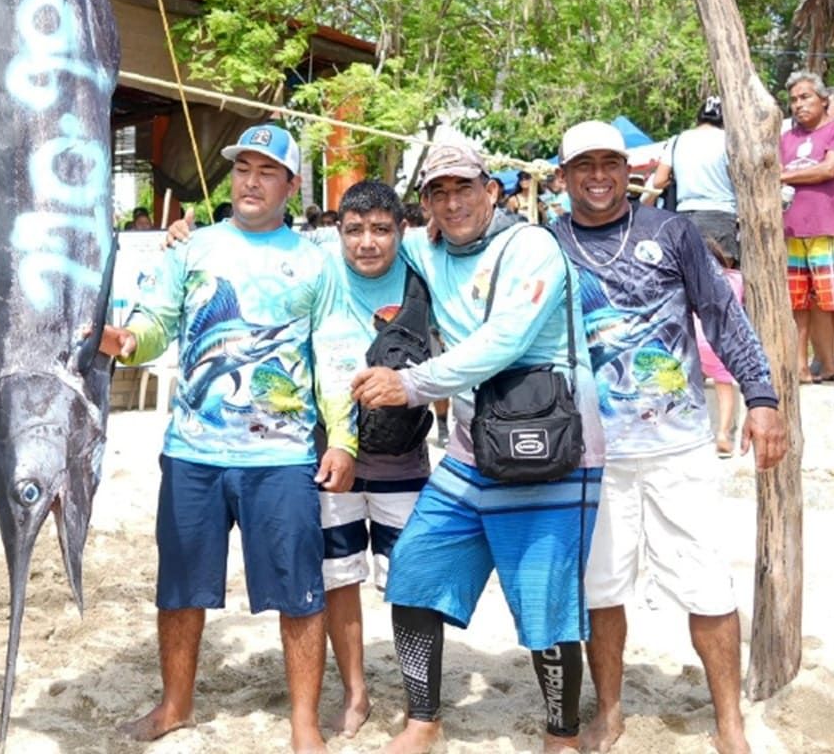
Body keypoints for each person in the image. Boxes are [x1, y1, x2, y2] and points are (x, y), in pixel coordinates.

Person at [97, 122, 353, 754]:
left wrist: (342, 437)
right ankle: (176, 705)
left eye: (268, 171)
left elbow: (334, 354)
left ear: (292, 185)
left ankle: (304, 724)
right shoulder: (190, 248)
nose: (252, 180)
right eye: (243, 168)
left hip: (283, 457)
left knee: (299, 590)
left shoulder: (316, 261)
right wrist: (127, 343)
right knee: (180, 588)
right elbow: (155, 324)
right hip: (194, 454)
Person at [347, 139, 604, 754]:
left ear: (492, 190)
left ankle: (561, 734)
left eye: (464, 187)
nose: (452, 201)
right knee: (413, 572)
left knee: (546, 598)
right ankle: (423, 719)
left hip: (552, 445)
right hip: (470, 447)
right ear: (427, 205)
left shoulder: (532, 247)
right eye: (438, 191)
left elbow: (503, 342)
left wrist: (407, 385)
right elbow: (360, 250)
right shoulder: (424, 249)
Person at [549, 121, 786, 754]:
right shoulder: (546, 244)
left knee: (706, 583)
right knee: (601, 590)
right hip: (592, 455)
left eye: (610, 164)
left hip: (680, 446)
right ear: (562, 176)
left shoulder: (672, 231)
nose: (598, 176)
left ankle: (729, 720)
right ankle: (612, 710)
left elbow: (723, 315)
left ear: (628, 169)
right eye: (583, 166)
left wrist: (761, 397)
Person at [311, 180, 428, 739]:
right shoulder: (318, 271)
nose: (367, 243)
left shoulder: (421, 270)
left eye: (381, 229)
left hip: (403, 456)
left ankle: (419, 699)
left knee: (408, 581)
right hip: (331, 459)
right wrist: (181, 236)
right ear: (337, 231)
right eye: (354, 230)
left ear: (401, 232)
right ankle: (356, 693)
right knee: (339, 577)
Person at [779, 72, 834, 391]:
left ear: (824, 99)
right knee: (795, 304)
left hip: (828, 228)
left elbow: (829, 169)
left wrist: (783, 176)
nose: (798, 105)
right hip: (789, 231)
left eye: (805, 97)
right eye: (794, 100)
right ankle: (799, 366)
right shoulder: (786, 138)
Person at [645, 96, 740, 262]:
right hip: (720, 215)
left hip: (685, 215)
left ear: (698, 118)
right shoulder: (730, 141)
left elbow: (659, 180)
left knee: (688, 275)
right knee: (721, 276)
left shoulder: (678, 140)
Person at [696, 238, 744, 457]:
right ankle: (723, 433)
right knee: (724, 387)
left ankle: (694, 429)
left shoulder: (691, 279)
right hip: (722, 342)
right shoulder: (735, 278)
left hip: (696, 340)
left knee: (691, 381)